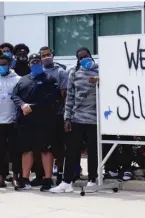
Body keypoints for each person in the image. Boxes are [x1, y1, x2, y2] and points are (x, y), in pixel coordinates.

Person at [50, 47, 99, 193]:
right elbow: (69, 97)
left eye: (86, 56)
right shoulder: (74, 73)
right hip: (77, 117)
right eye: (81, 58)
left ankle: (92, 179)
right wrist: (67, 118)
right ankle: (66, 182)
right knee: (72, 150)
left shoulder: (101, 71)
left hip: (95, 119)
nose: (84, 59)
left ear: (91, 56)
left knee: (93, 151)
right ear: (77, 60)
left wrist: (99, 80)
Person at [11, 53, 59, 191]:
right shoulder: (23, 80)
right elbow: (15, 95)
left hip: (44, 121)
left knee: (46, 150)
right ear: (29, 64)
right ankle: (25, 179)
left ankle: (48, 179)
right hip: (25, 121)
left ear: (41, 63)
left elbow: (52, 98)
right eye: (33, 62)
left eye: (38, 61)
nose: (36, 64)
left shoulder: (50, 79)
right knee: (27, 150)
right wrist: (22, 105)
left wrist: (32, 107)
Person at [39, 46, 68, 186]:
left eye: (48, 54)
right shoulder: (38, 72)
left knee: (59, 146)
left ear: (53, 55)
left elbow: (64, 94)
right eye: (43, 55)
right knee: (45, 147)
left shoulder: (61, 71)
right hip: (43, 116)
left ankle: (61, 173)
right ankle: (45, 176)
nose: (46, 57)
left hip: (58, 114)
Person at [0, 55, 20, 187]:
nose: (2, 67)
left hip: (13, 121)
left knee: (15, 150)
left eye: (4, 64)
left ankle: (16, 176)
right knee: (1, 151)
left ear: (9, 65)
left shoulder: (17, 79)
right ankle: (1, 176)